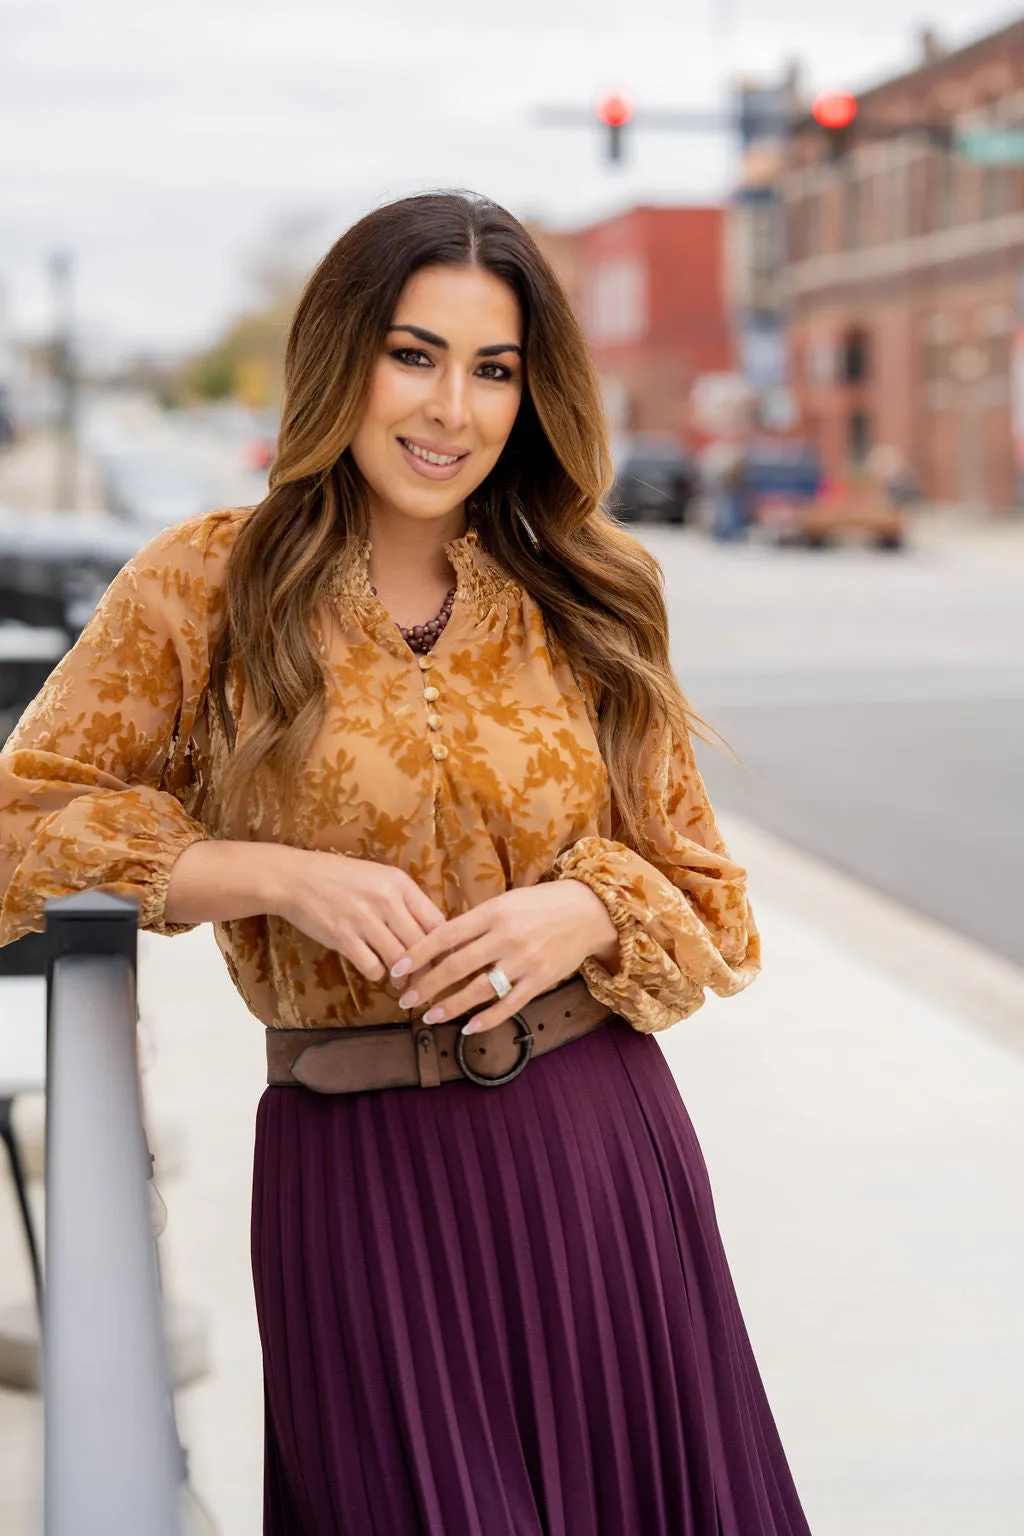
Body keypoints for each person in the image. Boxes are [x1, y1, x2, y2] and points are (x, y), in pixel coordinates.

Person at [0, 191, 812, 1536]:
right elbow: (24, 829)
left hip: (597, 1159)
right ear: (343, 362)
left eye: (493, 369)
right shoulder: (207, 586)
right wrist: (263, 872)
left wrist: (584, 907)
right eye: (414, 354)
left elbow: (710, 901)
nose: (452, 409)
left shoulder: (588, 591)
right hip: (359, 1181)